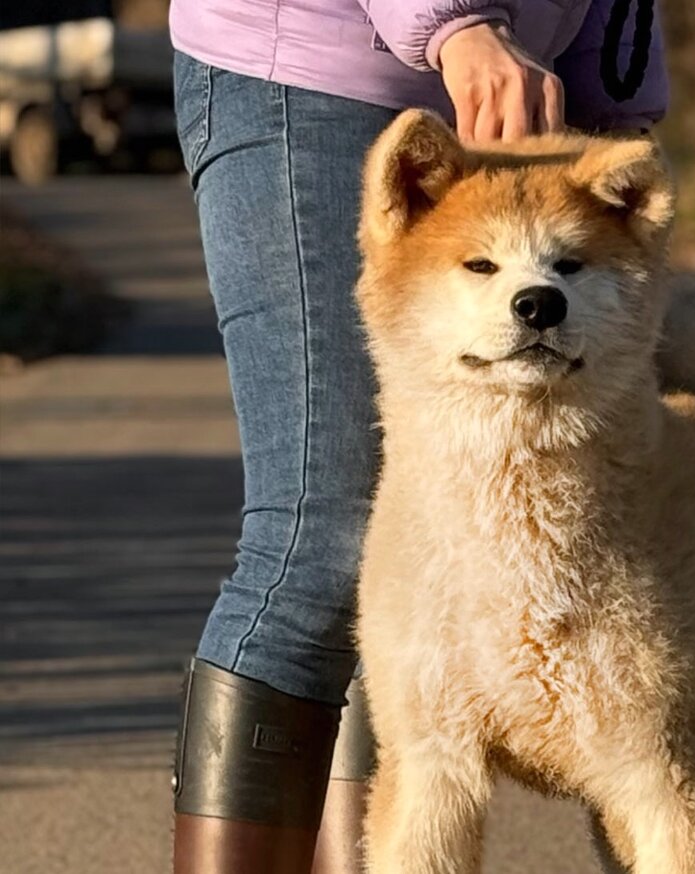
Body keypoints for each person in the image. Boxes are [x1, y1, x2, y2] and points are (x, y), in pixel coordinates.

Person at [167, 1, 667, 871]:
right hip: (312, 72)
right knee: (323, 538)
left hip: (508, 91)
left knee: (418, 558)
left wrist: (609, 97)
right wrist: (457, 23)